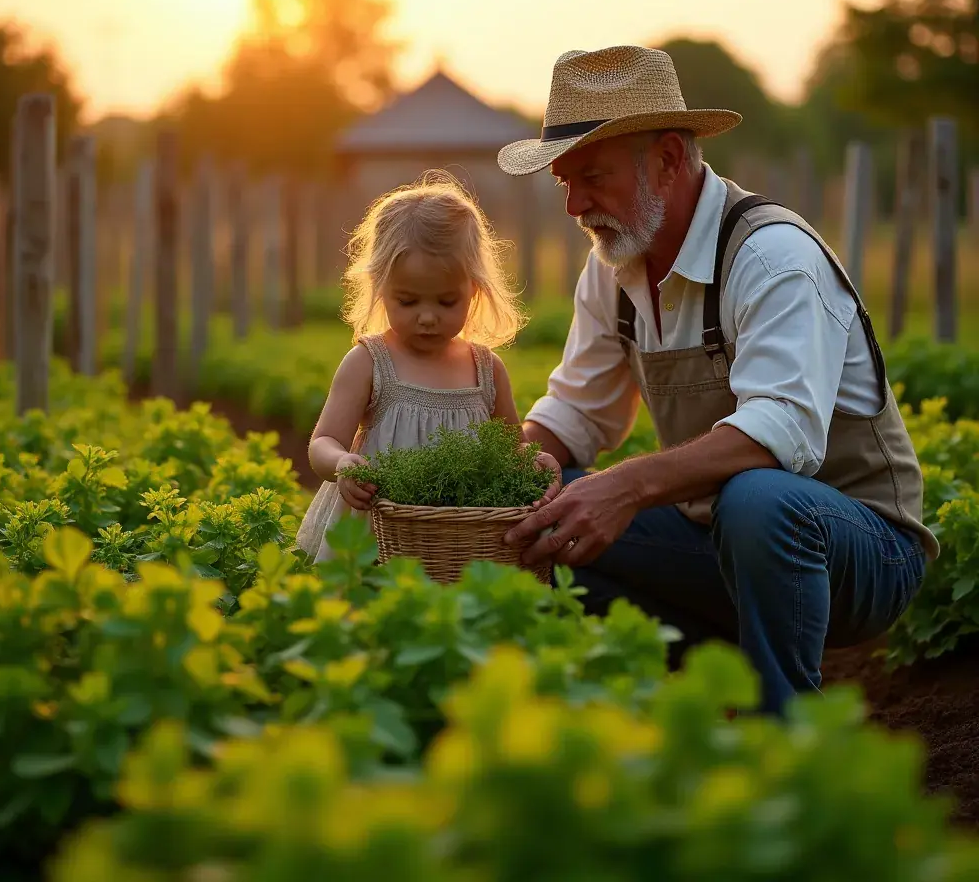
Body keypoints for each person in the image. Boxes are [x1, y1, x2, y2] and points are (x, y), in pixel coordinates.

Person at [496, 45, 936, 715]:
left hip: (861, 551)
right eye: (564, 182)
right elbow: (575, 414)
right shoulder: (613, 267)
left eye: (593, 177)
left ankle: (781, 728)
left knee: (758, 499)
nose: (574, 204)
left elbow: (779, 432)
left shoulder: (772, 256)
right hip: (720, 542)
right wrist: (509, 473)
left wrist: (628, 487)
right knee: (550, 514)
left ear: (669, 159)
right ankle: (682, 703)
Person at [297, 171, 561, 563]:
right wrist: (342, 464)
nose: (427, 317)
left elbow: (511, 448)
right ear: (380, 288)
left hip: (459, 541)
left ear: (474, 290)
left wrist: (532, 460)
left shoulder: (486, 370)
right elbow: (323, 442)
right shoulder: (370, 363)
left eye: (446, 301)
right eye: (407, 301)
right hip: (379, 534)